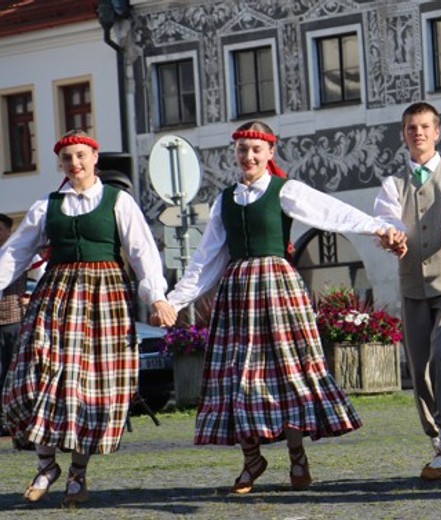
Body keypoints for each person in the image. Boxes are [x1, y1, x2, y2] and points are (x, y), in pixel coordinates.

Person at [154, 121, 404, 494]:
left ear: (270, 152)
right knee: (238, 377)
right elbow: (206, 260)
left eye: (256, 149)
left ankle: (297, 455)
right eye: (242, 150)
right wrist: (172, 300)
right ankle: (251, 457)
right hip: (238, 295)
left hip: (277, 289)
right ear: (235, 154)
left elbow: (332, 212)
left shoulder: (284, 190)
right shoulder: (225, 200)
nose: (249, 156)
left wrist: (377, 228)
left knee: (289, 373)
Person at [0, 130, 175, 506]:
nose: (75, 164)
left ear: (94, 159)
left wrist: (157, 297)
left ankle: (78, 473)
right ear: (61, 165)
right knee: (33, 375)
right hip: (56, 296)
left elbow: (143, 252)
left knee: (89, 389)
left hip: (104, 299)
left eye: (81, 156)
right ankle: (47, 464)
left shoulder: (118, 201)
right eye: (67, 158)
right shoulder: (46, 206)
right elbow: (13, 256)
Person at [373, 101, 441, 481]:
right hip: (412, 283)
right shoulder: (393, 183)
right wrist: (392, 237)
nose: (417, 133)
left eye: (424, 127)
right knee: (418, 367)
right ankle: (437, 441)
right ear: (403, 135)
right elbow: (386, 219)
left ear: (437, 132)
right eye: (410, 128)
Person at [0, 213, 28, 438]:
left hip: (13, 319)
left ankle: (14, 417)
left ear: (9, 231)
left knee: (13, 370)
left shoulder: (17, 253)